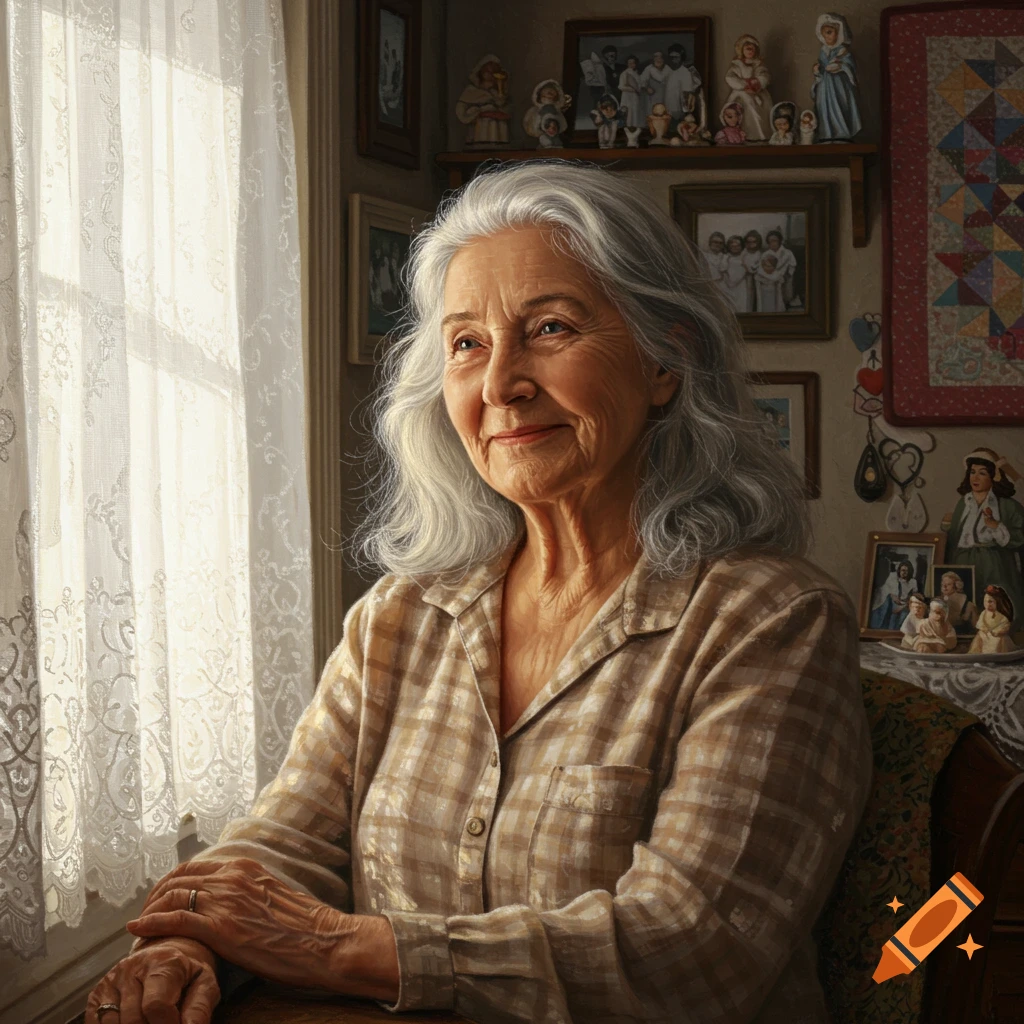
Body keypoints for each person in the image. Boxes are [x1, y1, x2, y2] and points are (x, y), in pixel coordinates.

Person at [88, 162, 872, 1024]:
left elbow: (690, 950)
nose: (501, 384)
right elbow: (291, 835)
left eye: (550, 328)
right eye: (466, 344)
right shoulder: (400, 617)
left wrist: (335, 947)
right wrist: (188, 942)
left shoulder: (770, 622)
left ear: (665, 360)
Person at [941, 447, 1024, 632]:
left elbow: (1019, 537)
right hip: (963, 561)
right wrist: (947, 526)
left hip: (993, 562)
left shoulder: (1007, 505)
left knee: (993, 604)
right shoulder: (964, 503)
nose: (975, 478)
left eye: (982, 473)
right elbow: (955, 537)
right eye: (972, 472)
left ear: (994, 476)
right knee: (967, 604)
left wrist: (996, 526)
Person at [811, 13, 861, 142]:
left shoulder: (843, 51)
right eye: (824, 33)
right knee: (824, 107)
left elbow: (850, 67)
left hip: (839, 86)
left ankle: (842, 133)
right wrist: (817, 71)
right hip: (824, 87)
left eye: (829, 32)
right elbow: (821, 69)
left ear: (839, 33)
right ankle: (827, 134)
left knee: (839, 106)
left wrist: (840, 66)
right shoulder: (823, 51)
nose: (826, 36)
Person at [725, 35, 774, 141]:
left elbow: (765, 76)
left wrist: (756, 82)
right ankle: (740, 135)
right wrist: (744, 84)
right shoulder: (737, 65)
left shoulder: (758, 64)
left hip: (757, 92)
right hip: (741, 93)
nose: (750, 51)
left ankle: (760, 135)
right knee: (744, 105)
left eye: (752, 49)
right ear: (742, 50)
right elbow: (730, 77)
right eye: (747, 49)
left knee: (760, 109)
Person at [869, 558, 917, 630]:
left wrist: (903, 606)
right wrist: (892, 596)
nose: (904, 573)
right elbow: (887, 590)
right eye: (903, 570)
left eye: (907, 571)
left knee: (903, 616)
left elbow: (914, 596)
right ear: (899, 570)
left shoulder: (913, 582)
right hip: (891, 601)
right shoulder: (892, 576)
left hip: (904, 604)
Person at [969, 585, 1017, 654]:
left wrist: (997, 632)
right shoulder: (984, 613)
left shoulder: (1002, 617)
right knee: (979, 636)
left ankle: (996, 655)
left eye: (990, 602)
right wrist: (983, 628)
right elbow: (981, 623)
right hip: (985, 635)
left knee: (999, 640)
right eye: (985, 601)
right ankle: (979, 653)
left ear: (998, 602)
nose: (987, 604)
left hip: (997, 636)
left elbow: (1005, 626)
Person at [664, 42, 702, 121]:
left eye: (676, 57)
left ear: (682, 58)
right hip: (668, 112)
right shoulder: (669, 71)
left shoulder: (685, 73)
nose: (673, 59)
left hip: (679, 115)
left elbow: (687, 96)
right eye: (671, 57)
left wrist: (684, 114)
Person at [765, 229, 798, 307]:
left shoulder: (787, 252)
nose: (773, 243)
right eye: (770, 241)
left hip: (786, 277)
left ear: (779, 241)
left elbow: (792, 265)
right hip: (771, 277)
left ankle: (787, 304)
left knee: (786, 295)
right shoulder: (766, 254)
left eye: (775, 241)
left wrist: (788, 275)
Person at [722, 233, 751, 312]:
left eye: (738, 245)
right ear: (729, 246)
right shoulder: (726, 257)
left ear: (742, 246)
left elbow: (748, 270)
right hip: (728, 283)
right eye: (732, 246)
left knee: (741, 304)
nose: (735, 247)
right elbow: (722, 269)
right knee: (729, 305)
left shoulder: (744, 257)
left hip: (741, 285)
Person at [639, 50, 671, 119]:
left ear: (663, 59)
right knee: (652, 116)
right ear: (653, 59)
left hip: (665, 96)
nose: (658, 59)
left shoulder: (667, 69)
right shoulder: (649, 68)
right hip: (652, 97)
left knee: (664, 116)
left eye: (660, 57)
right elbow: (641, 81)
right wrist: (647, 88)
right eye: (656, 57)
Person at [617, 55, 643, 129]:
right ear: (627, 64)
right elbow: (620, 86)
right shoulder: (624, 73)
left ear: (635, 64)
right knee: (628, 114)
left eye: (633, 63)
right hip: (627, 97)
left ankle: (635, 128)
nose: (631, 65)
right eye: (629, 63)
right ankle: (628, 128)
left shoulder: (636, 74)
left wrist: (638, 89)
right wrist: (632, 89)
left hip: (635, 97)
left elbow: (639, 85)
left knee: (635, 112)